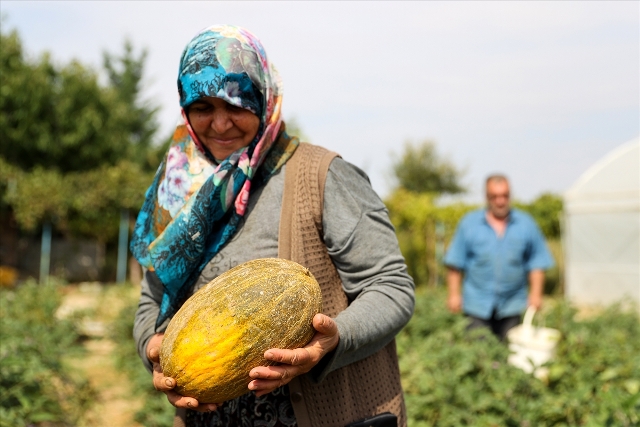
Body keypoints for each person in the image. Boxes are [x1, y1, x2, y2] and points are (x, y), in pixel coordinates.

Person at [130, 25, 414, 427]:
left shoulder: (322, 175)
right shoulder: (176, 192)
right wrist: (154, 348)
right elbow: (151, 299)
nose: (220, 123)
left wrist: (330, 342)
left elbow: (392, 287)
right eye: (202, 107)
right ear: (184, 108)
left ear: (263, 101)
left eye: (237, 105)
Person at [443, 174, 554, 340]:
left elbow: (536, 261)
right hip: (477, 304)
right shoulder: (469, 224)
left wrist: (536, 294)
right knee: (479, 353)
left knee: (511, 353)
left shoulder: (526, 224)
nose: (500, 201)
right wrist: (454, 294)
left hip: (512, 304)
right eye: (494, 197)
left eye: (505, 196)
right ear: (486, 197)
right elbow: (455, 262)